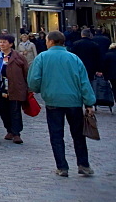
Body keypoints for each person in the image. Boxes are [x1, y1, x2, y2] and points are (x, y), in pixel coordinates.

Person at [27, 30, 97, 177]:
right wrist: (89, 103)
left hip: (53, 100)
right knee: (78, 134)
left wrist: (40, 89)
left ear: (51, 41)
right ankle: (83, 164)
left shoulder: (42, 57)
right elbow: (84, 82)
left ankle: (62, 167)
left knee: (56, 134)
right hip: (74, 101)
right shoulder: (74, 58)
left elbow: (33, 80)